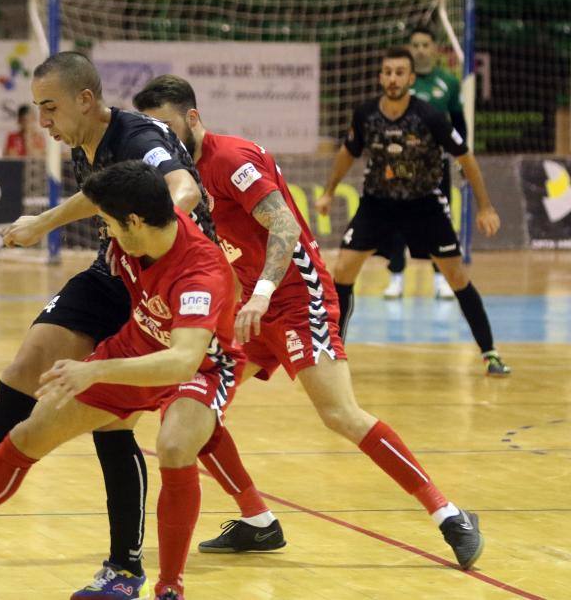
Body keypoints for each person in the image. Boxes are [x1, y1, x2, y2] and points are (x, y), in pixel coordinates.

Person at [0, 52, 276, 600]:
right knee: (26, 367)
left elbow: (183, 189)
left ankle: (129, 567)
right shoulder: (83, 143)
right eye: (37, 109)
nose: (42, 120)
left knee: (123, 425)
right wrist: (45, 223)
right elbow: (97, 195)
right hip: (115, 266)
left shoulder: (139, 138)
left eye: (49, 108)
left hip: (163, 274)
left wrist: (155, 236)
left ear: (85, 100)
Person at [133, 73, 485, 569]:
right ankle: (257, 521)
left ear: (193, 118)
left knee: (339, 414)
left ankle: (448, 514)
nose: (162, 142)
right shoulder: (177, 177)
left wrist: (260, 293)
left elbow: (284, 224)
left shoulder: (231, 159)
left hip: (297, 298)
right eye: (153, 133)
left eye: (168, 128)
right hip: (247, 306)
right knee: (185, 408)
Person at [0, 160, 246, 600]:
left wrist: (96, 368)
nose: (105, 232)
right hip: (136, 345)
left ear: (133, 220)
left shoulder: (199, 272)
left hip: (203, 365)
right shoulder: (134, 239)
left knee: (174, 445)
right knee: (30, 432)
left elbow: (183, 361)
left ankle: (169, 588)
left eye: (109, 223)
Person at [315, 47, 510, 377]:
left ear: (410, 78)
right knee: (343, 269)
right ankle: (335, 350)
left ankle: (490, 352)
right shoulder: (365, 114)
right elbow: (348, 153)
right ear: (381, 77)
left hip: (424, 206)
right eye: (388, 72)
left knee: (457, 277)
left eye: (399, 73)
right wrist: (330, 191)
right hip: (377, 205)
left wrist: (485, 207)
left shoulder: (430, 117)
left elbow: (466, 159)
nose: (393, 78)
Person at [380, 26, 467, 300]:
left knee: (439, 220)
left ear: (434, 48)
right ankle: (396, 279)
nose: (419, 49)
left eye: (424, 44)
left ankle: (441, 279)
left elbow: (459, 125)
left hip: (435, 167)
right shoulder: (400, 81)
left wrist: (462, 158)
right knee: (395, 220)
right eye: (414, 45)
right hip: (400, 164)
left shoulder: (449, 83)